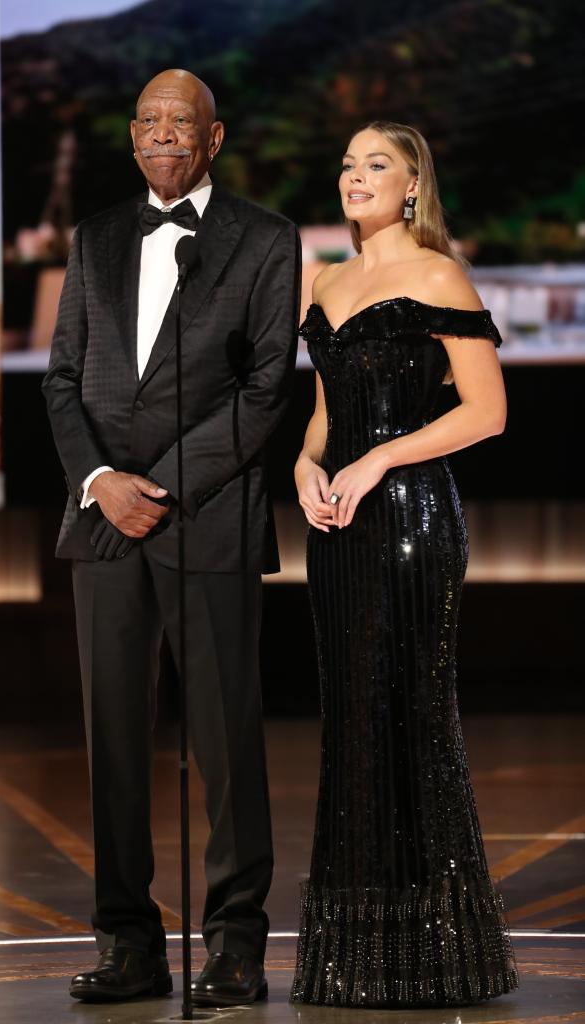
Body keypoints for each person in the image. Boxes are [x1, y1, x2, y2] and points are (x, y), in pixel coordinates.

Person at [42, 68, 301, 1007]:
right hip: (104, 520)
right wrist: (104, 483)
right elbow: (62, 378)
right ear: (131, 133)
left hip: (210, 515)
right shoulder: (95, 236)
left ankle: (235, 941)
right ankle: (128, 942)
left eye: (179, 122)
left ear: (213, 139)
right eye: (147, 120)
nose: (162, 134)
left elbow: (267, 386)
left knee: (226, 738)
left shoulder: (265, 240)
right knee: (113, 738)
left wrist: (167, 484)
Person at [290, 121, 520, 1008]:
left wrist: (380, 457)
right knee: (350, 721)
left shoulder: (436, 275)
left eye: (375, 164)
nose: (354, 176)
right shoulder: (328, 279)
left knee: (409, 714)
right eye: (346, 162)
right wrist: (306, 466)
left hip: (412, 522)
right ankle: (356, 958)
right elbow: (322, 413)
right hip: (337, 524)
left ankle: (439, 955)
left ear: (414, 183)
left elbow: (488, 412)